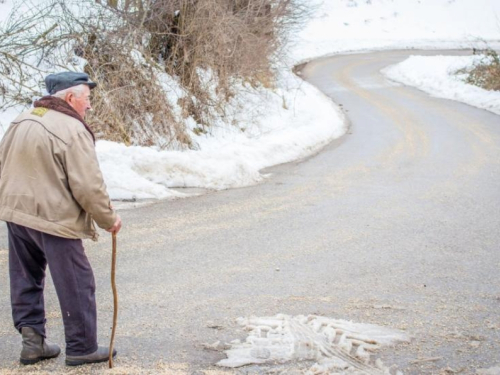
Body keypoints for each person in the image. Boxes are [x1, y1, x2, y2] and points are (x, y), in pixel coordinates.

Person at [0, 72, 122, 366]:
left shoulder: (22, 120)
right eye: (87, 99)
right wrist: (107, 218)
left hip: (16, 213)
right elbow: (88, 185)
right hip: (54, 217)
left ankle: (33, 343)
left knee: (26, 278)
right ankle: (82, 348)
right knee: (77, 282)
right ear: (70, 98)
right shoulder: (71, 128)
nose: (89, 106)